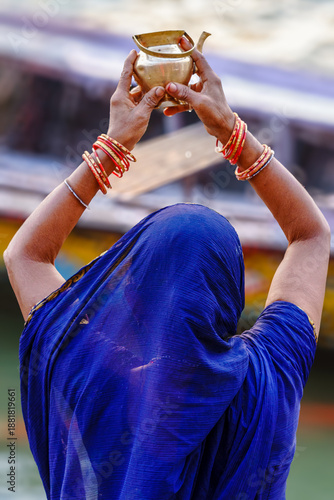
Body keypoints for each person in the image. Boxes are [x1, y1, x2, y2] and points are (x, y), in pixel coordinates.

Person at [3, 39, 330, 500]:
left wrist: (113, 146)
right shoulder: (270, 378)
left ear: (131, 297)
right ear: (230, 294)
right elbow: (312, 236)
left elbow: (24, 257)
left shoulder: (84, 365)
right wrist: (231, 132)